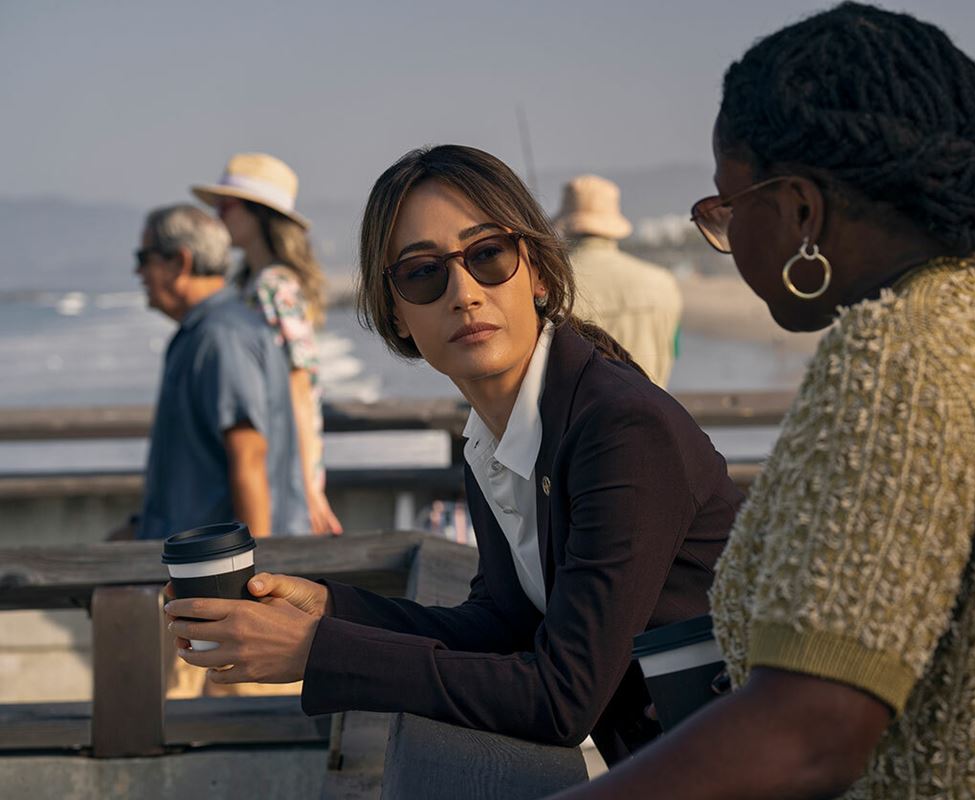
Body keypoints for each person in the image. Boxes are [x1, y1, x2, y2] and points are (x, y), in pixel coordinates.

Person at [551, 4, 975, 798]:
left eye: (727, 208)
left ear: (800, 211)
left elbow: (811, 734)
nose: (727, 237)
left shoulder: (895, 358)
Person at [164, 145, 743, 765]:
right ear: (397, 313)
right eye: (423, 272)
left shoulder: (621, 428)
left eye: (488, 255)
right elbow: (500, 626)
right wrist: (333, 610)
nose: (464, 293)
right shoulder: (495, 438)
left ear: (539, 273)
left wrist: (318, 651)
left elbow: (563, 698)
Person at [134, 204, 308, 540]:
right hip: (200, 556)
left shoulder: (220, 337)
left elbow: (249, 455)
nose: (137, 271)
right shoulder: (211, 330)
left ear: (180, 262)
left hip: (213, 561)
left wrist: (250, 567)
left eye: (144, 258)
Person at [193, 152, 342, 535]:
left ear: (258, 213)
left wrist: (308, 488)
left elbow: (298, 385)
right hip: (271, 461)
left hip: (282, 468)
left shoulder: (274, 287)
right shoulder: (250, 284)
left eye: (226, 206)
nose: (217, 216)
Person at [553, 175, 682, 388]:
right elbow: (673, 349)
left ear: (566, 222)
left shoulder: (551, 285)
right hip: (654, 406)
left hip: (581, 410)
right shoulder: (663, 283)